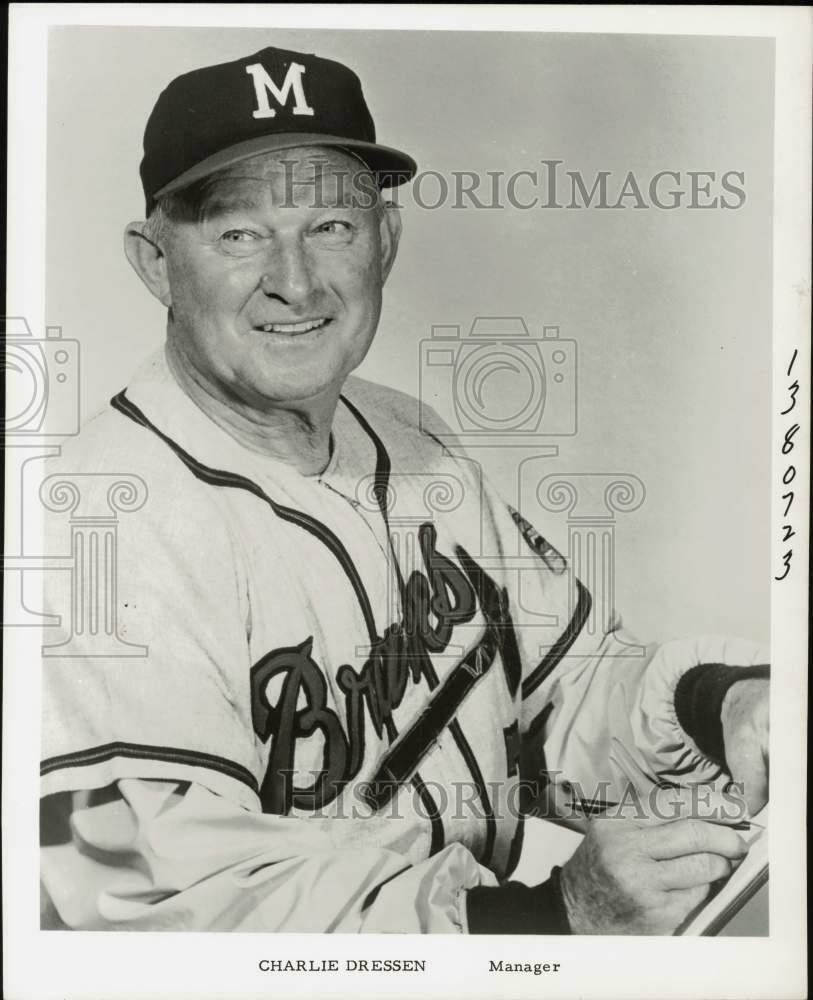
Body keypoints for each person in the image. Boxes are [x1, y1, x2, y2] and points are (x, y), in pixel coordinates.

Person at [39, 45, 770, 934]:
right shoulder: (97, 537)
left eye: (332, 227)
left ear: (385, 242)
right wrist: (548, 918)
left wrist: (720, 703)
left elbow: (560, 690)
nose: (295, 280)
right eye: (239, 233)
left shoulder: (408, 437)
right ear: (155, 261)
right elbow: (152, 918)